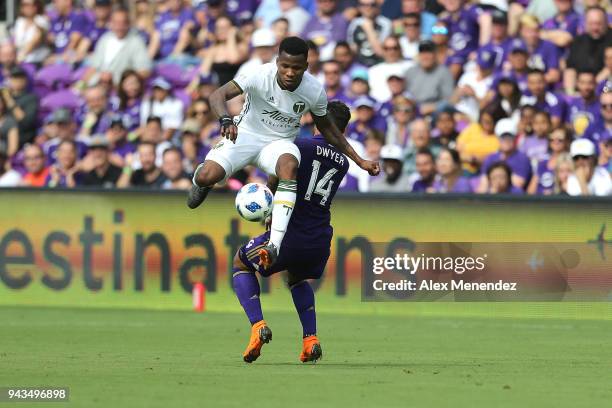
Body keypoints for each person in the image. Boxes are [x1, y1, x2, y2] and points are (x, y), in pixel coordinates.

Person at [188, 37, 379, 268]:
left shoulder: (314, 90)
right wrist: (226, 119)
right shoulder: (259, 74)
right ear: (277, 62)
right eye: (285, 66)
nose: (290, 72)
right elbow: (217, 95)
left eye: (296, 68)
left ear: (306, 67)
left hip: (278, 143)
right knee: (208, 175)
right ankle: (202, 180)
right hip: (246, 135)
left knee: (289, 164)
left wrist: (359, 161)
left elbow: (328, 128)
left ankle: (274, 245)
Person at [231, 101, 351, 364]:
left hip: (289, 234)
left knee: (240, 263)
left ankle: (257, 326)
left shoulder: (301, 145)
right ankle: (310, 340)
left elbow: (280, 171)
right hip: (319, 239)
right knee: (296, 278)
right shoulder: (343, 162)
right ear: (344, 128)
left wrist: (268, 200)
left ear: (320, 121)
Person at [82, 8, 153, 86]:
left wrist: (116, 78)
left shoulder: (136, 42)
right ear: (111, 23)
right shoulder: (105, 39)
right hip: (98, 84)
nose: (119, 27)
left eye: (123, 23)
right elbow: (93, 67)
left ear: (128, 24)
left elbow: (145, 71)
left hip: (121, 88)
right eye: (116, 23)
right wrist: (84, 83)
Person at [565, 6, 612, 94]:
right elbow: (570, 69)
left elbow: (610, 68)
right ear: (585, 23)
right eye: (591, 23)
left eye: (598, 23)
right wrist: (570, 93)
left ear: (606, 22)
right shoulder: (578, 41)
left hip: (606, 88)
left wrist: (591, 86)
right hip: (582, 89)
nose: (595, 28)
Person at [404, 41, 454, 116]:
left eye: (429, 52)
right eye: (422, 52)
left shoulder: (444, 72)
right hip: (411, 110)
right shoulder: (410, 72)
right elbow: (404, 94)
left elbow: (450, 100)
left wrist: (433, 107)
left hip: (435, 112)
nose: (425, 56)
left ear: (435, 54)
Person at [347, 0, 393, 67]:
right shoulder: (355, 24)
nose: (368, 8)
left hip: (380, 64)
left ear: (377, 6)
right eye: (363, 5)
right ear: (359, 7)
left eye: (372, 5)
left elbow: (381, 52)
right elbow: (352, 49)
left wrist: (369, 29)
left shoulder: (385, 23)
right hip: (360, 65)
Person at [527, 127, 572, 195]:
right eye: (552, 139)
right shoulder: (542, 163)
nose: (555, 142)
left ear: (567, 141)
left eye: (560, 140)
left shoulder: (571, 162)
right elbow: (530, 191)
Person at [3, 66, 38, 145]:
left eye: (20, 78)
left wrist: (9, 100)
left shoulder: (31, 98)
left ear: (25, 80)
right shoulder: (4, 96)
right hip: (4, 137)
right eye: (14, 78)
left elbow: (26, 122)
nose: (17, 81)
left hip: (23, 139)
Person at [11, 0, 50, 64]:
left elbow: (37, 39)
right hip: (18, 58)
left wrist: (20, 56)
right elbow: (15, 41)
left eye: (32, 4)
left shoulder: (41, 20)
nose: (28, 7)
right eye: (24, 5)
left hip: (35, 60)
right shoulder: (20, 21)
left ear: (37, 6)